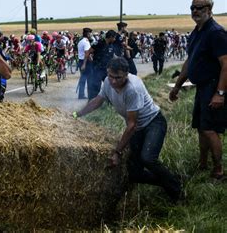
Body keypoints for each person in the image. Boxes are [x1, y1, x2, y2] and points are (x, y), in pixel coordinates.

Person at [75, 57, 182, 202]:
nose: (113, 81)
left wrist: (117, 152)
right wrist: (77, 114)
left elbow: (131, 125)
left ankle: (177, 193)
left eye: (117, 78)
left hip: (153, 123)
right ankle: (170, 180)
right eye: (111, 76)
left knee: (148, 159)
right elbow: (97, 101)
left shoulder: (132, 89)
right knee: (134, 173)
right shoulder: (108, 82)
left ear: (126, 74)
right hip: (137, 128)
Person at [169, 0, 227, 180]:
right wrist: (177, 86)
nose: (195, 11)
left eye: (200, 7)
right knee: (201, 128)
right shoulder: (197, 32)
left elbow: (226, 63)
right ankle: (203, 163)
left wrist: (220, 93)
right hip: (201, 87)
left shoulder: (216, 32)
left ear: (209, 9)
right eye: (193, 7)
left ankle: (218, 170)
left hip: (213, 86)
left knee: (209, 129)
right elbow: (189, 61)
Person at [83, 29, 117, 100]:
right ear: (110, 37)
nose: (114, 39)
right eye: (114, 37)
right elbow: (87, 52)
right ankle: (92, 103)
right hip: (97, 69)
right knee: (96, 87)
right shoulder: (99, 43)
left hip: (107, 70)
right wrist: (84, 63)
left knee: (111, 86)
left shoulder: (111, 45)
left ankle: (109, 102)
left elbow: (113, 56)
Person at [76, 28, 92, 99]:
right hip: (85, 62)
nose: (91, 35)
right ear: (88, 34)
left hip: (81, 61)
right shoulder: (86, 42)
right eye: (90, 33)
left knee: (83, 78)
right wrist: (86, 63)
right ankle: (89, 95)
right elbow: (87, 54)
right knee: (89, 79)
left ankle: (81, 94)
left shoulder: (81, 41)